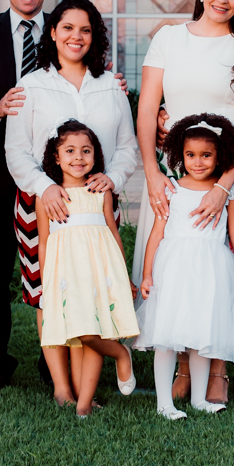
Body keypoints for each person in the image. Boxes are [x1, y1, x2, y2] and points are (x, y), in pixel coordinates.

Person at [0, 0, 127, 391]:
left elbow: (123, 141)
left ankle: (67, 368)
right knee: (7, 279)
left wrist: (112, 175)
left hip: (86, 190)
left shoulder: (103, 79)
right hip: (16, 181)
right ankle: (0, 366)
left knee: (81, 282)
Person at [134, 0, 234, 406]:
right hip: (178, 172)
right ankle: (182, 364)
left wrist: (225, 187)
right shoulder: (169, 39)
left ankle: (218, 368)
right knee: (176, 264)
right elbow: (147, 108)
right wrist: (152, 170)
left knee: (225, 266)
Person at [4, 0, 139, 406]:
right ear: (53, 33)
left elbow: (127, 149)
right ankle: (62, 388)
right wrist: (43, 187)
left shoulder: (111, 86)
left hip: (96, 205)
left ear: (95, 35)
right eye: (67, 28)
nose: (75, 36)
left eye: (85, 29)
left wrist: (111, 178)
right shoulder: (32, 85)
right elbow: (16, 150)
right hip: (43, 203)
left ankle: (87, 388)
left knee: (92, 293)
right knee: (50, 293)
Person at [134, 114, 234, 420]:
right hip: (174, 268)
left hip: (211, 269)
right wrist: (147, 273)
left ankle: (198, 399)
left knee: (203, 334)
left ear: (220, 157)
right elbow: (157, 233)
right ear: (181, 154)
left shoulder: (225, 193)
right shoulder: (172, 189)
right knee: (166, 335)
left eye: (206, 155)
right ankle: (164, 403)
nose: (198, 162)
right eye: (191, 155)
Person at [35, 120, 140, 417]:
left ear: (95, 155)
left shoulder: (100, 191)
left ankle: (83, 406)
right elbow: (43, 242)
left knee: (94, 330)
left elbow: (113, 233)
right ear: (56, 157)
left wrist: (123, 276)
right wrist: (47, 281)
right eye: (69, 150)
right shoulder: (46, 197)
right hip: (67, 276)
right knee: (80, 333)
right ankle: (120, 353)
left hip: (99, 272)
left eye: (86, 151)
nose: (78, 157)